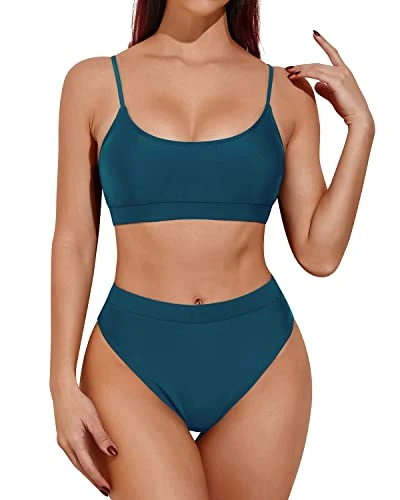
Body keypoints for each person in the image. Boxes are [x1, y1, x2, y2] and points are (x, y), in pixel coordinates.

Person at [50, 0, 375, 498]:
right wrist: (60, 382)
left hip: (263, 364)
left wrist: (361, 130)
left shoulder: (286, 93)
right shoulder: (91, 83)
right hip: (130, 361)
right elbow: (74, 239)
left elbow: (319, 253)